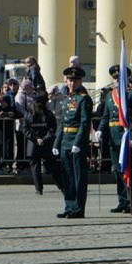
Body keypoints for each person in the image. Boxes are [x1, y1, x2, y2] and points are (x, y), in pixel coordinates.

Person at [95, 65, 132, 213]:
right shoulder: (110, 95)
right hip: (113, 136)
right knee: (117, 170)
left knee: (128, 170)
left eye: (120, 77)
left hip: (125, 135)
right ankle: (122, 201)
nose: (117, 80)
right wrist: (100, 129)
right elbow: (106, 116)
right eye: (115, 78)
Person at [53, 66, 93, 219]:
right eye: (70, 80)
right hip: (65, 142)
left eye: (75, 80)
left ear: (80, 81)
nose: (72, 83)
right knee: (67, 176)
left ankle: (78, 208)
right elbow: (62, 123)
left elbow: (84, 123)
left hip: (77, 143)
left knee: (78, 177)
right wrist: (57, 143)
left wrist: (78, 142)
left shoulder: (84, 99)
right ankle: (69, 205)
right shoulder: (68, 98)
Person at [24, 95, 63, 195]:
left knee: (36, 167)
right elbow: (52, 129)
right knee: (52, 167)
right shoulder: (48, 114)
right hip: (45, 144)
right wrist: (43, 139)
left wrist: (36, 139)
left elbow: (25, 130)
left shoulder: (29, 114)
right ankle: (62, 186)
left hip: (34, 145)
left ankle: (39, 189)